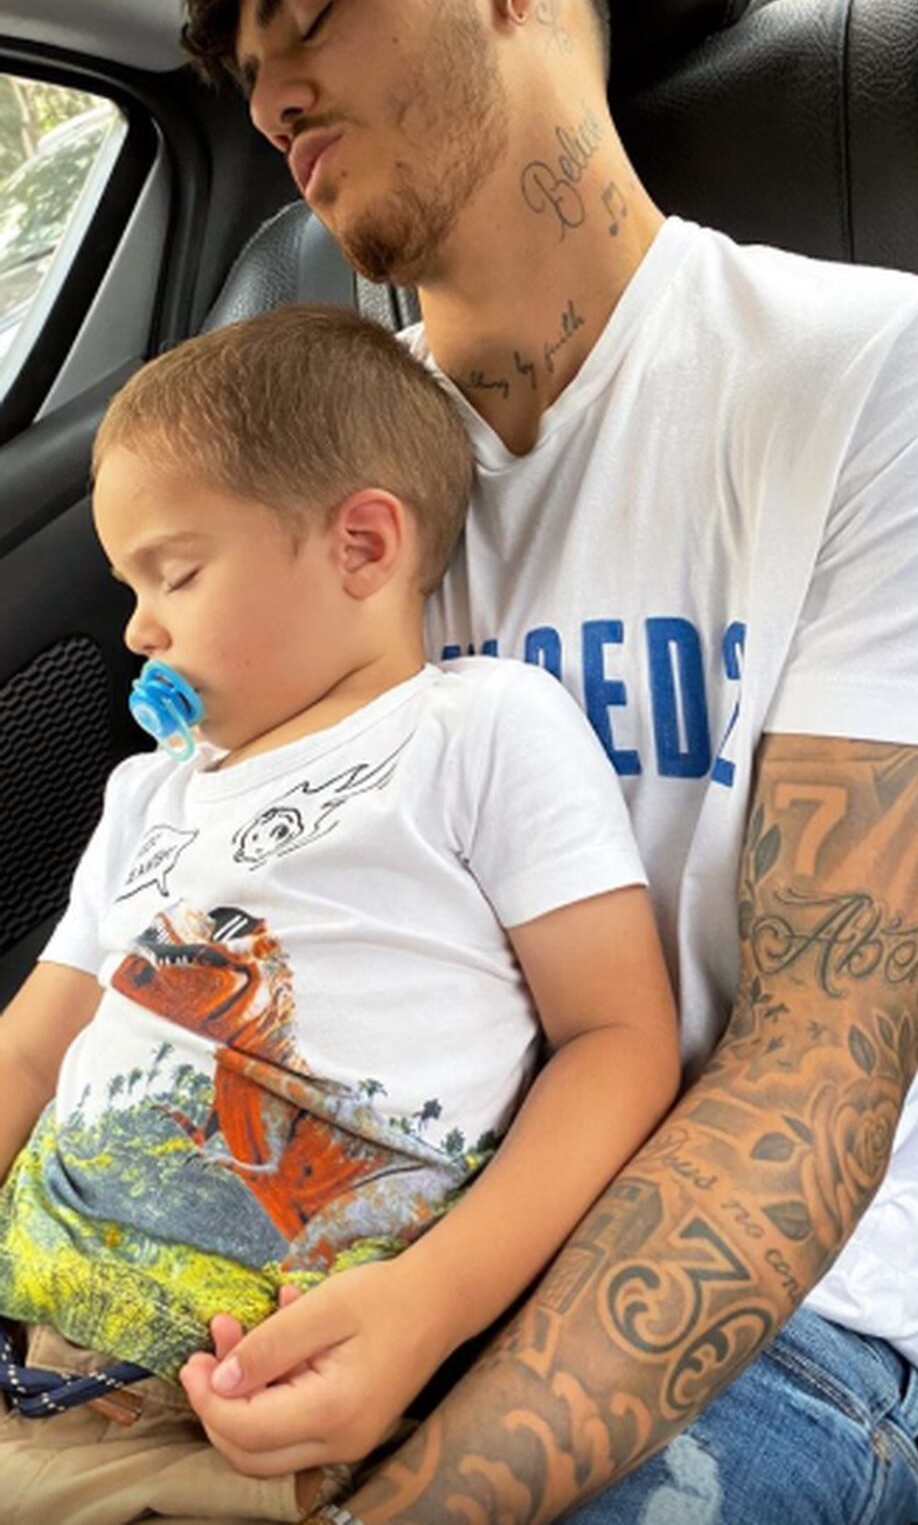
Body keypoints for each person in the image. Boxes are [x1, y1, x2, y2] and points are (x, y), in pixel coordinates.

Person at [176, 0, 918, 1525]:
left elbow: (812, 1075)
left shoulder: (893, 381)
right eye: (251, 81)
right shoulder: (310, 500)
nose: (274, 102)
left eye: (313, 14)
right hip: (333, 1249)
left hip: (762, 1327)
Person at [0, 303, 680, 1525]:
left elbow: (614, 1039)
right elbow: (32, 1050)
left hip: (276, 1400)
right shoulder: (147, 794)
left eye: (174, 574)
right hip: (36, 1353)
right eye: (130, 587)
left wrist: (432, 1305)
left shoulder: (479, 731)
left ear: (362, 546)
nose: (139, 629)